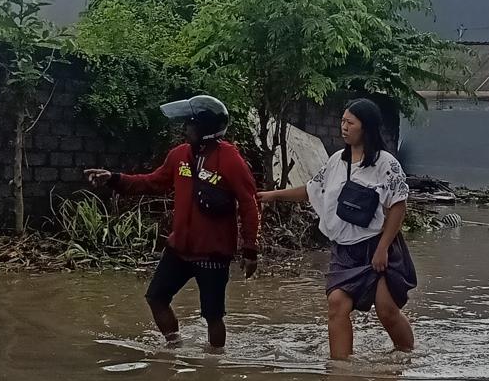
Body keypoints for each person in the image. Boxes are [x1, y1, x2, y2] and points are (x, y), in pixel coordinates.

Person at [85, 95, 260, 349]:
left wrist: (250, 248)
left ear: (204, 129)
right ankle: (174, 345)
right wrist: (113, 178)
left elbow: (249, 202)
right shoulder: (179, 156)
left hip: (212, 253)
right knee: (156, 297)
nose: (184, 129)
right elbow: (151, 181)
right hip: (179, 248)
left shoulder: (230, 160)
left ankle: (215, 362)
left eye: (189, 124)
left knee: (213, 316)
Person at [258, 99, 417, 360]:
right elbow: (312, 189)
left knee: (386, 309)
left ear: (366, 128)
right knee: (337, 304)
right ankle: (340, 369)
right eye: (342, 121)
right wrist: (274, 195)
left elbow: (398, 206)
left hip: (377, 246)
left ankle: (406, 357)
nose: (343, 127)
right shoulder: (335, 162)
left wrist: (383, 248)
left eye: (349, 122)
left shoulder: (386, 164)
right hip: (345, 251)